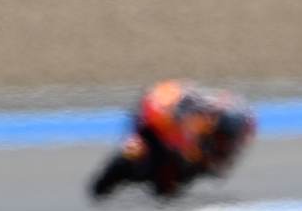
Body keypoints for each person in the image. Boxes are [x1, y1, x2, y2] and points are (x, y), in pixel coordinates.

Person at [90, 80, 255, 199]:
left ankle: (161, 177)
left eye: (228, 138)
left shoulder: (225, 142)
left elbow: (218, 168)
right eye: (223, 136)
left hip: (180, 159)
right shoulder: (195, 107)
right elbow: (160, 95)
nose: (225, 141)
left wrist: (207, 161)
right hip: (159, 130)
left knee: (168, 190)